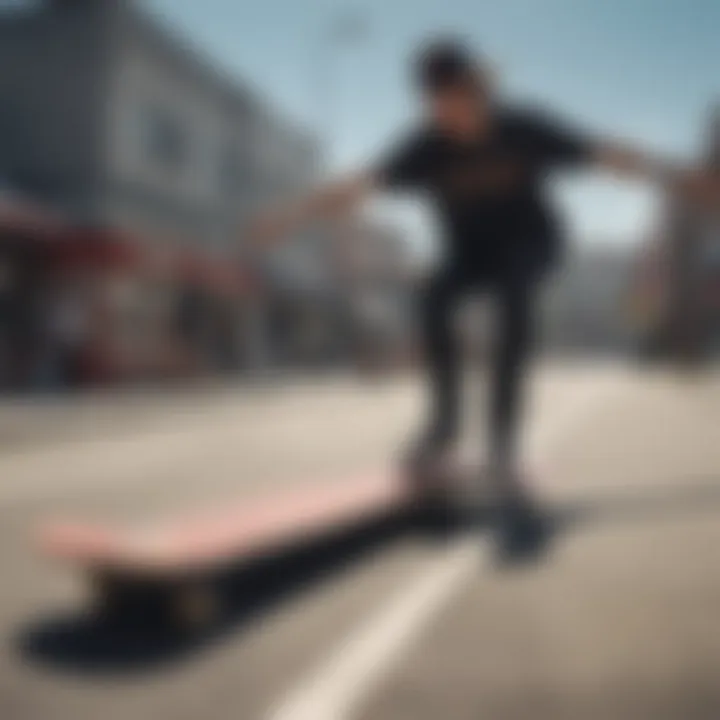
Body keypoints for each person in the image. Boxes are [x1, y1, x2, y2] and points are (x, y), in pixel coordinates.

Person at [251, 39, 720, 559]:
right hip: (467, 253)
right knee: (433, 300)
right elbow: (355, 187)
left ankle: (502, 441)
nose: (452, 119)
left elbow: (609, 155)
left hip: (532, 243)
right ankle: (445, 424)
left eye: (460, 104)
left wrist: (683, 179)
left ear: (477, 93)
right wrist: (286, 216)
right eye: (439, 107)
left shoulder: (524, 128)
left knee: (513, 296)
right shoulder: (424, 147)